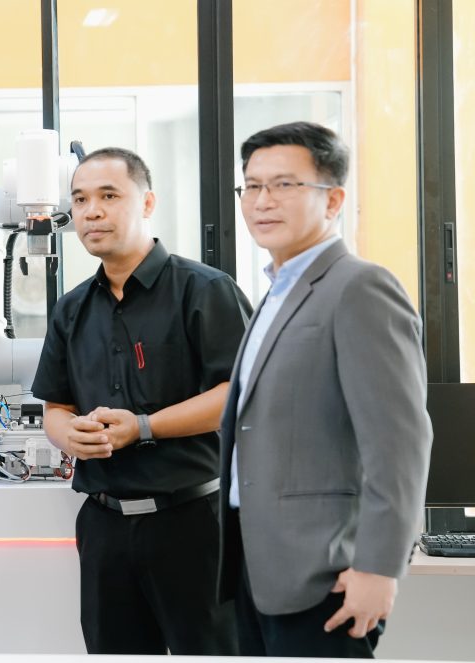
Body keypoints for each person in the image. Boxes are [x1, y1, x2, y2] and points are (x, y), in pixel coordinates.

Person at [217, 121, 433, 657]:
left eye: (284, 185)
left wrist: (379, 568)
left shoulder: (359, 287)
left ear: (333, 199)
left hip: (325, 573)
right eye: (252, 186)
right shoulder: (276, 291)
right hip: (257, 566)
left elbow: (399, 444)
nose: (262, 201)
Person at [32, 147, 251, 654]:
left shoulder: (205, 290)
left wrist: (143, 426)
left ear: (147, 202)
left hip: (193, 523)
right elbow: (55, 408)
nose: (91, 212)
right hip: (104, 526)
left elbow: (237, 396)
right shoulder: (70, 309)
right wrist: (70, 436)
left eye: (109, 196)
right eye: (80, 200)